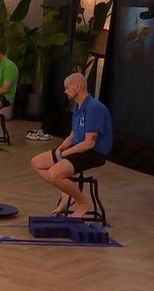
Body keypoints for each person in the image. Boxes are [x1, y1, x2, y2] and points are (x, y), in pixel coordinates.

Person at [31, 73, 113, 218]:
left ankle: (83, 203)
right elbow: (73, 135)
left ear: (77, 87)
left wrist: (66, 154)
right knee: (37, 162)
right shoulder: (78, 106)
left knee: (54, 173)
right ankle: (66, 195)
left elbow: (89, 143)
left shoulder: (94, 108)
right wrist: (61, 149)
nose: (65, 91)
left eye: (67, 87)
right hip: (78, 147)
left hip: (93, 153)